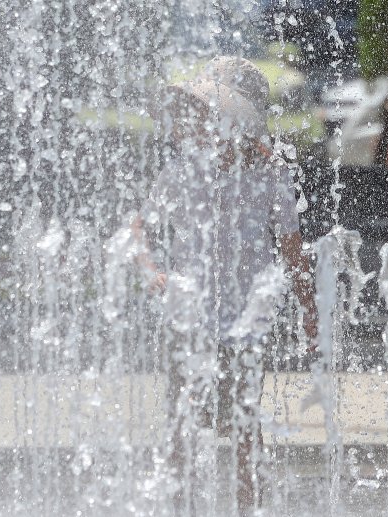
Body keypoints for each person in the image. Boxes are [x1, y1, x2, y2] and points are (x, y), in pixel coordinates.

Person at [133, 56, 317, 515]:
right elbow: (139, 228)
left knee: (243, 427)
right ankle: (178, 507)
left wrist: (310, 310)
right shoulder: (184, 170)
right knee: (180, 425)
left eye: (207, 115)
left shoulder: (271, 173)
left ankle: (246, 508)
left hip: (242, 324)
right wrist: (151, 270)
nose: (196, 125)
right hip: (187, 317)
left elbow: (292, 250)